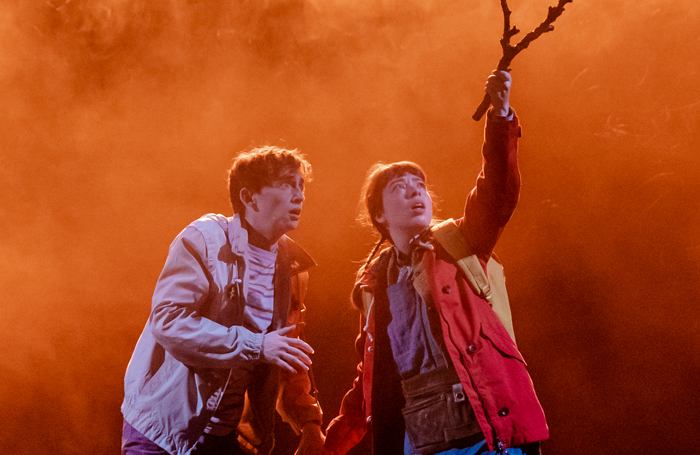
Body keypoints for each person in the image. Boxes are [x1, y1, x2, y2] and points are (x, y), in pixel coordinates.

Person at [317, 72, 549, 455]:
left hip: (485, 429)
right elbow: (370, 378)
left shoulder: (457, 243)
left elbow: (497, 192)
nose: (415, 193)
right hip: (424, 440)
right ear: (379, 215)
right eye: (399, 188)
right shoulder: (374, 285)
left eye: (420, 186)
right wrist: (332, 443)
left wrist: (501, 116)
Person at [121, 146, 325, 455]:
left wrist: (309, 423)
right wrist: (256, 346)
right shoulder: (204, 239)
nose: (299, 196)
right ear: (248, 197)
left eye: (300, 187)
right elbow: (168, 320)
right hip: (162, 430)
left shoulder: (291, 267)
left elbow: (287, 353)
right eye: (286, 185)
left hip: (225, 438)